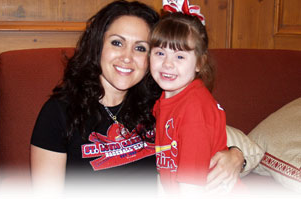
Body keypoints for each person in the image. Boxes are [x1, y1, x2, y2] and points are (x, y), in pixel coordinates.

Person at [30, 0, 244, 197]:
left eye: (140, 48)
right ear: (97, 46)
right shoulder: (58, 112)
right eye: (117, 43)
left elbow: (209, 131)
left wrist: (236, 157)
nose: (127, 57)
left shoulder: (159, 100)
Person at [149, 11, 238, 195]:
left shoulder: (194, 108)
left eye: (180, 56)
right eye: (159, 53)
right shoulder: (166, 100)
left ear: (199, 63)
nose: (167, 64)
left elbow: (192, 188)